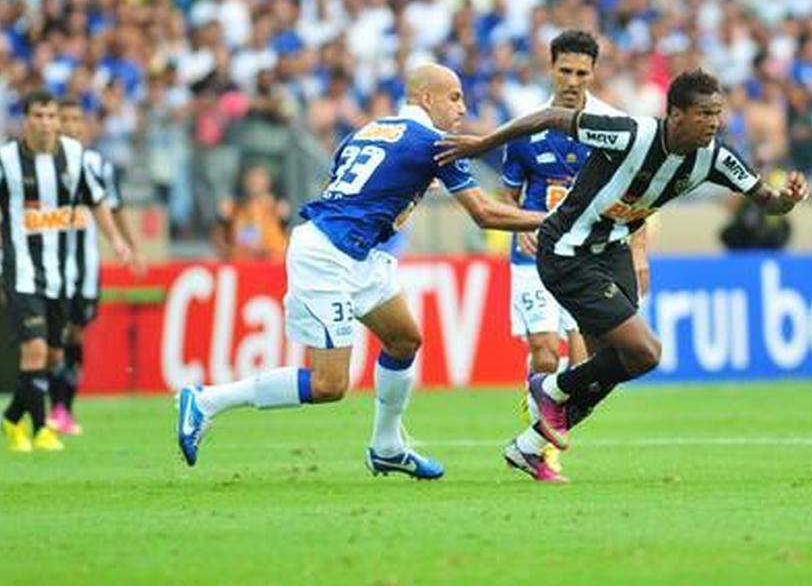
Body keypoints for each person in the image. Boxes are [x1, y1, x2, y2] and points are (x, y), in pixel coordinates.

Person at [436, 69, 809, 482]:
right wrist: (484, 145)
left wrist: (787, 201)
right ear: (676, 114)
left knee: (609, 366)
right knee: (645, 352)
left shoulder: (715, 157)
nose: (714, 123)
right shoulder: (631, 134)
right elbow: (549, 118)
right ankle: (551, 389)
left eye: (718, 114)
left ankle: (529, 445)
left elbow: (766, 201)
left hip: (613, 252)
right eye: (704, 114)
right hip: (566, 251)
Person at [175, 64, 546, 478]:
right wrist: (555, 218)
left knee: (404, 340)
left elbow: (357, 183)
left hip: (356, 253)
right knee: (329, 385)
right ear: (426, 98)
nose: (463, 107)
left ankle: (387, 447)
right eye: (454, 97)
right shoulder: (436, 143)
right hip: (328, 256)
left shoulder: (370, 130)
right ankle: (207, 401)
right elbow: (484, 213)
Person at [499, 29, 649, 475]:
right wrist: (519, 226)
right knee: (545, 350)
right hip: (534, 254)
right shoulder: (525, 127)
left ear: (593, 73)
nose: (572, 79)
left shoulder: (614, 127)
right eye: (565, 70)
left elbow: (636, 196)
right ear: (551, 69)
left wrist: (639, 252)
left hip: (588, 256)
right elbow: (507, 195)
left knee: (583, 365)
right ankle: (536, 428)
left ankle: (538, 446)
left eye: (582, 72)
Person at [0, 91, 133, 453]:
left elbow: (97, 200)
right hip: (21, 272)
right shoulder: (5, 161)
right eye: (39, 115)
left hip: (62, 275)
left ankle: (10, 417)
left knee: (52, 356)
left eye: (52, 115)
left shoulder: (75, 155)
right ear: (26, 119)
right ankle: (41, 430)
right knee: (34, 351)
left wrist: (116, 240)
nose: (47, 123)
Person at [51, 97, 145, 435]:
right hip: (46, 265)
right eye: (65, 118)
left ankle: (64, 407)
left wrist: (131, 248)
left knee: (74, 334)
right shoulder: (37, 163)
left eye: (77, 119)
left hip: (83, 267)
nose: (71, 126)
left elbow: (114, 209)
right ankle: (51, 406)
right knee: (49, 337)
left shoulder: (96, 165)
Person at [210, 164, 291, 261]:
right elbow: (219, 243)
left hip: (271, 267)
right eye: (251, 177)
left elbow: (287, 243)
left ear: (268, 181)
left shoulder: (278, 209)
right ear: (244, 181)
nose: (255, 181)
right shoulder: (234, 209)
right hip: (243, 266)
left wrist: (284, 220)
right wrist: (221, 220)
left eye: (259, 177)